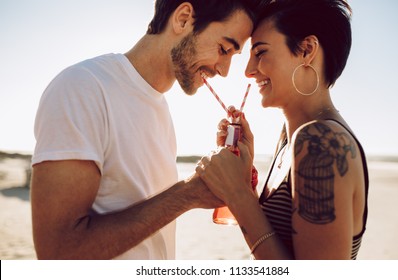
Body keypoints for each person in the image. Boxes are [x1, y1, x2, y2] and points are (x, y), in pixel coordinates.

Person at [30, 0, 268, 260]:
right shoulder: (83, 88)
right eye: (224, 49)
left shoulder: (161, 110)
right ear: (183, 18)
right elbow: (58, 253)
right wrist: (188, 194)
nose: (224, 70)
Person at [196, 0, 369, 259]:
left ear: (306, 50)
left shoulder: (319, 142)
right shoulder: (290, 138)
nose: (248, 71)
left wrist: (237, 193)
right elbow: (275, 240)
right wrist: (244, 177)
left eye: (261, 52)